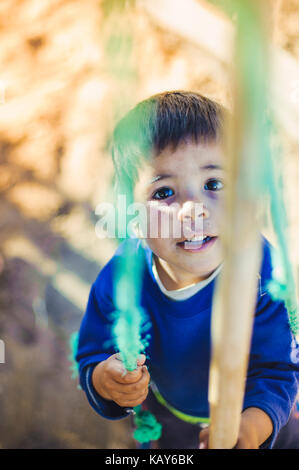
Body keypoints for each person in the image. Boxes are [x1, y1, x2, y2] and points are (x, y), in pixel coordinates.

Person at [75, 91, 299, 449]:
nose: (193, 210)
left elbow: (277, 370)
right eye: (164, 193)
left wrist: (252, 429)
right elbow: (93, 353)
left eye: (214, 184)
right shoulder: (122, 278)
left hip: (258, 417)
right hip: (167, 412)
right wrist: (106, 379)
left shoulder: (265, 275)